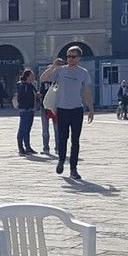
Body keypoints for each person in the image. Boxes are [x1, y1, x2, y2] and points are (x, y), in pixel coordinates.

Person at [40, 46, 94, 180]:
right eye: (68, 56)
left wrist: (91, 109)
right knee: (63, 138)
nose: (70, 59)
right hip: (62, 109)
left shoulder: (83, 72)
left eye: (73, 56)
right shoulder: (60, 70)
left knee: (75, 140)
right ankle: (61, 159)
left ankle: (73, 169)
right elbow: (42, 78)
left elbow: (87, 91)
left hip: (76, 109)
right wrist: (53, 66)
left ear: (79, 58)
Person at [38, 60, 62, 155]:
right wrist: (52, 68)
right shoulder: (44, 82)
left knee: (57, 129)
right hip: (44, 107)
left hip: (55, 107)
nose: (50, 74)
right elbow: (42, 78)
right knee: (45, 129)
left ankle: (58, 148)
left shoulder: (58, 80)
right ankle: (46, 148)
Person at [16, 70, 38, 156]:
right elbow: (20, 98)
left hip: (30, 110)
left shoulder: (30, 85)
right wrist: (26, 106)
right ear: (28, 76)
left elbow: (35, 93)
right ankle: (21, 148)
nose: (33, 77)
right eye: (32, 75)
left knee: (27, 129)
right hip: (25, 110)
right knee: (23, 129)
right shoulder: (22, 86)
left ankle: (28, 147)